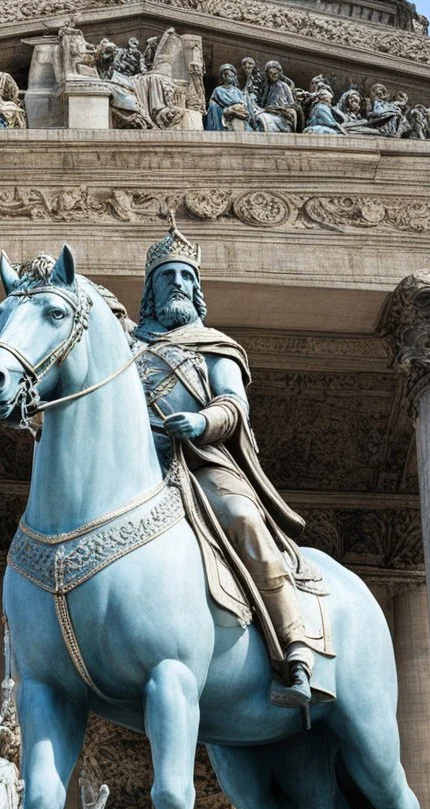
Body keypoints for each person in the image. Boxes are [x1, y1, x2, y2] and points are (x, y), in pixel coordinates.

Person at [131, 217, 319, 707]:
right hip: (137, 465)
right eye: (167, 276)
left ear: (197, 291)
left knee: (241, 518)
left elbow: (234, 405)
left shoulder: (216, 346)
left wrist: (200, 422)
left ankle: (294, 649)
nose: (177, 283)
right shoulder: (129, 347)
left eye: (185, 276)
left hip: (201, 463)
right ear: (151, 290)